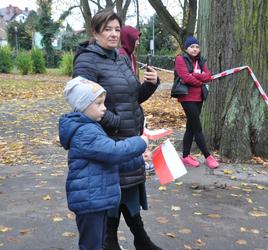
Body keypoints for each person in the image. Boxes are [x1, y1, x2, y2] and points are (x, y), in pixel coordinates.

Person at [72, 9, 162, 250]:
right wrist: (116, 121)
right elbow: (83, 103)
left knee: (129, 189)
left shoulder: (120, 57)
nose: (113, 34)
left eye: (117, 29)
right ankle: (112, 241)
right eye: (107, 29)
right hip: (109, 141)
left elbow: (131, 99)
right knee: (111, 193)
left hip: (129, 137)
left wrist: (150, 86)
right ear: (95, 32)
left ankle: (140, 240)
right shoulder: (86, 60)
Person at [58, 77, 148, 250]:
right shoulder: (85, 132)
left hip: (96, 198)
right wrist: (140, 142)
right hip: (90, 201)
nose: (104, 108)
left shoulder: (90, 126)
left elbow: (107, 162)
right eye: (98, 104)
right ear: (83, 105)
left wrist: (139, 160)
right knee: (92, 245)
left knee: (99, 243)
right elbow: (114, 152)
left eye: (103, 103)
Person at [175, 35, 219, 169]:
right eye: (192, 47)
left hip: (199, 97)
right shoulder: (180, 59)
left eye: (197, 47)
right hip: (186, 97)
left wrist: (195, 75)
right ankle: (208, 156)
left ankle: (186, 156)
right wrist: (201, 81)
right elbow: (185, 78)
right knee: (197, 128)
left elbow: (209, 76)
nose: (195, 49)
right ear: (186, 48)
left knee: (190, 127)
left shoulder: (200, 61)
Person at [119, 25, 156, 176]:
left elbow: (136, 96)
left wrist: (151, 83)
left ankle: (139, 162)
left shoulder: (130, 56)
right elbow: (129, 93)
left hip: (132, 113)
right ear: (128, 39)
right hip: (125, 115)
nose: (138, 42)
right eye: (136, 39)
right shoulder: (122, 56)